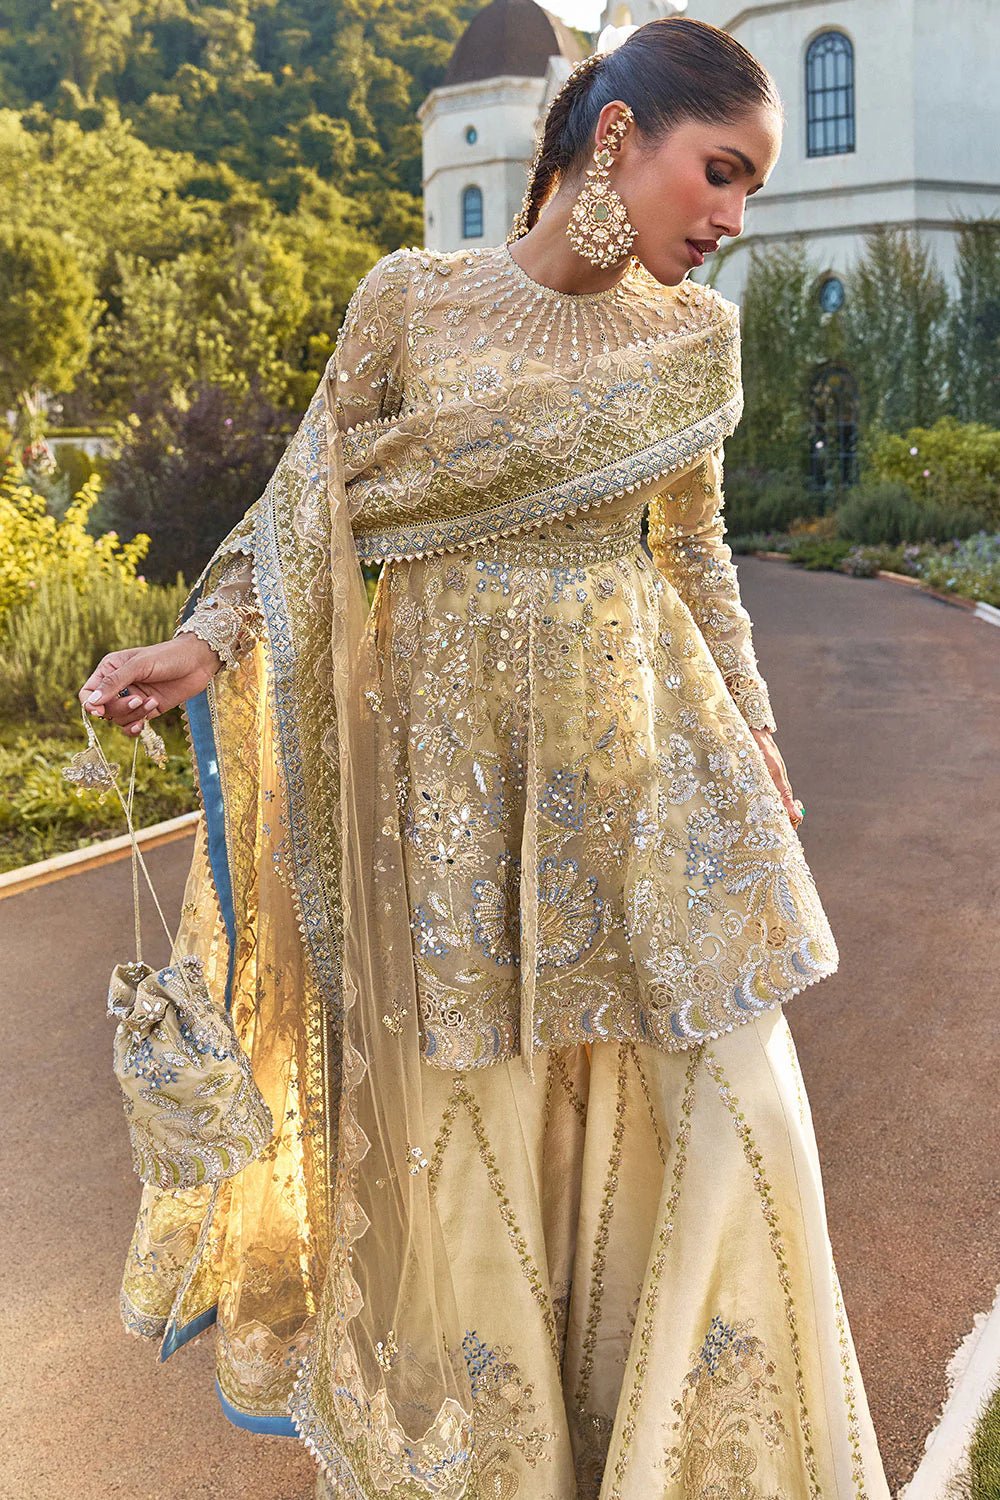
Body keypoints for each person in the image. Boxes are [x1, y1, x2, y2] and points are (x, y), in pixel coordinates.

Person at [80, 16, 890, 1497]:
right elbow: (306, 503)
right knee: (470, 1123)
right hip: (447, 789)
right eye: (718, 173)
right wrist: (207, 641)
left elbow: (696, 553)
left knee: (733, 1101)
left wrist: (760, 736)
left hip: (653, 772)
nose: (731, 220)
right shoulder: (412, 303)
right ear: (613, 139)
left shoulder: (695, 337)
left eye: (754, 191)